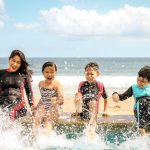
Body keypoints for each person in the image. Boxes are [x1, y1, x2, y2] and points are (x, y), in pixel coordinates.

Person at [112, 66, 150, 136]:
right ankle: (142, 136)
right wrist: (115, 94)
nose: (139, 82)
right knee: (142, 102)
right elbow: (123, 97)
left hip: (149, 109)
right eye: (138, 79)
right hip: (139, 109)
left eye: (143, 81)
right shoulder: (134, 88)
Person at [73, 62, 109, 136]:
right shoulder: (81, 84)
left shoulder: (99, 85)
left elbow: (106, 98)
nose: (89, 76)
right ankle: (78, 111)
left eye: (92, 74)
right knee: (77, 94)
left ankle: (92, 130)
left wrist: (105, 111)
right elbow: (79, 98)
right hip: (82, 110)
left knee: (92, 102)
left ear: (97, 74)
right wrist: (76, 111)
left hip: (93, 111)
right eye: (87, 74)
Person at [0, 49, 34, 122]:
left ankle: (9, 133)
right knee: (4, 111)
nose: (15, 64)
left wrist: (32, 106)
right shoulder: (1, 73)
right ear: (9, 59)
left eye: (18, 62)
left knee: (10, 111)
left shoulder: (24, 75)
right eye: (13, 60)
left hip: (18, 104)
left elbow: (29, 92)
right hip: (3, 103)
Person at [32, 61, 64, 135]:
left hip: (54, 107)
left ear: (56, 72)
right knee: (36, 119)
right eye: (46, 72)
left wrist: (55, 102)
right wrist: (37, 107)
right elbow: (43, 98)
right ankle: (34, 138)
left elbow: (61, 100)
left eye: (52, 72)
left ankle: (47, 140)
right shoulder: (40, 84)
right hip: (43, 106)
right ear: (43, 73)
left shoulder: (57, 85)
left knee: (47, 121)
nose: (49, 74)